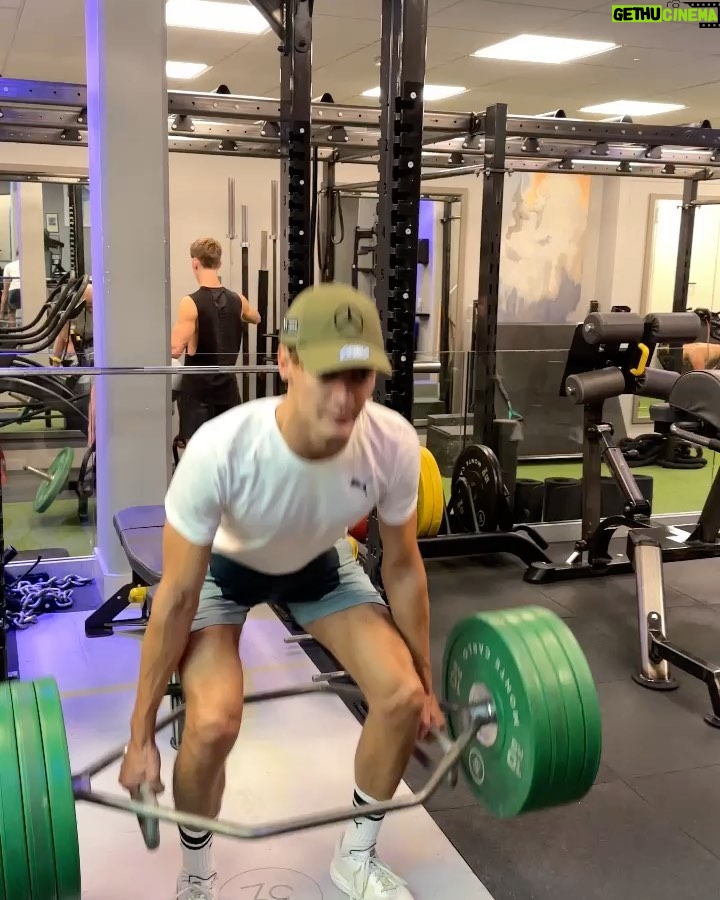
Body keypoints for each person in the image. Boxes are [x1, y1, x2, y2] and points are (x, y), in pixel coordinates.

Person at [119, 282, 444, 900]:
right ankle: (196, 877)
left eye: (362, 377)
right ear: (286, 362)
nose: (348, 398)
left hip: (317, 564)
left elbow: (402, 567)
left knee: (399, 697)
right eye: (329, 374)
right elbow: (176, 598)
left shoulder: (392, 442)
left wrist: (425, 683)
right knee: (212, 722)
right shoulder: (223, 449)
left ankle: (355, 858)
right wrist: (139, 737)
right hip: (224, 571)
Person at [171, 237, 261, 442]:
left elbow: (175, 349)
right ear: (219, 264)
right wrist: (244, 313)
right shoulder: (238, 300)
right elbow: (256, 317)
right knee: (228, 457)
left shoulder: (190, 302)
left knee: (198, 460)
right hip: (229, 396)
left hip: (198, 400)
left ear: (195, 263)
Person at [1, 250, 21, 326]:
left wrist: (2, 312)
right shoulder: (31, 265)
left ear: (16, 254)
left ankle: (13, 333)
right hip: (28, 290)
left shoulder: (9, 266)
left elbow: (5, 290)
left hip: (14, 290)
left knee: (11, 313)